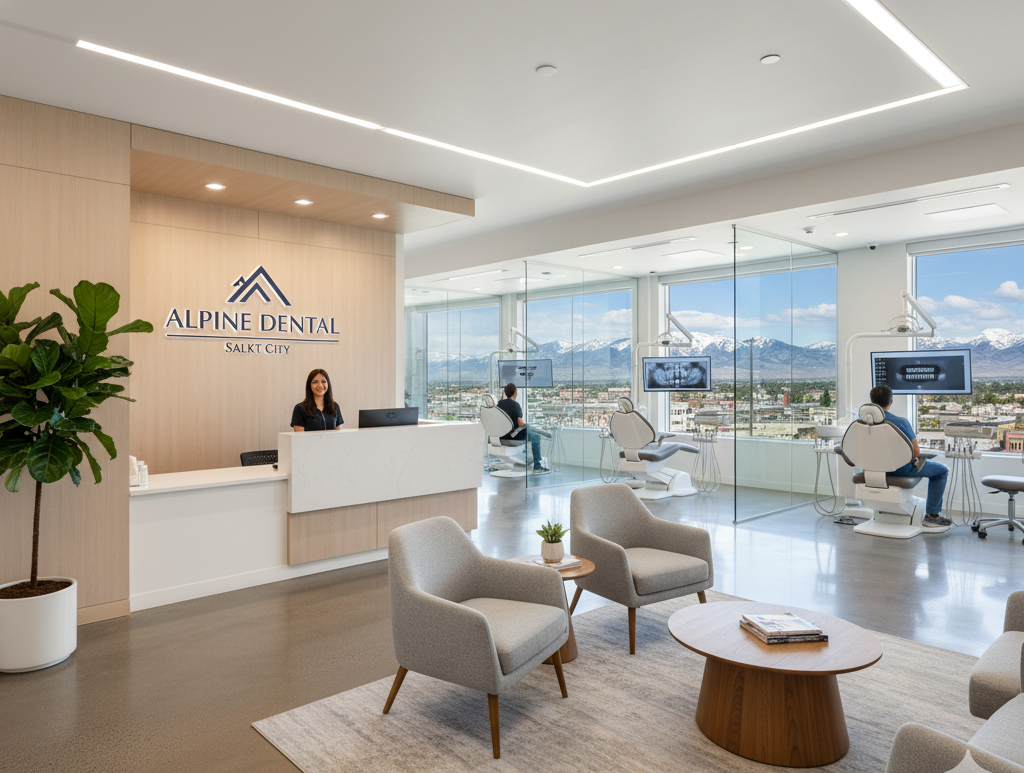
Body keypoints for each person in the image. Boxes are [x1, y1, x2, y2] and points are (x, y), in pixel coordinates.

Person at [869, 384, 950, 527]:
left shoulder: (862, 422)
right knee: (942, 471)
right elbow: (916, 452)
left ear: (872, 401)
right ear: (891, 402)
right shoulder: (900, 422)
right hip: (899, 470)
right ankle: (932, 515)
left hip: (871, 469)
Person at [497, 383, 549, 474]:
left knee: (528, 433)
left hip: (501, 436)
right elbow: (521, 424)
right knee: (535, 437)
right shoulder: (515, 405)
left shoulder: (498, 404)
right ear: (515, 393)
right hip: (514, 437)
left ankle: (525, 461)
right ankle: (537, 466)